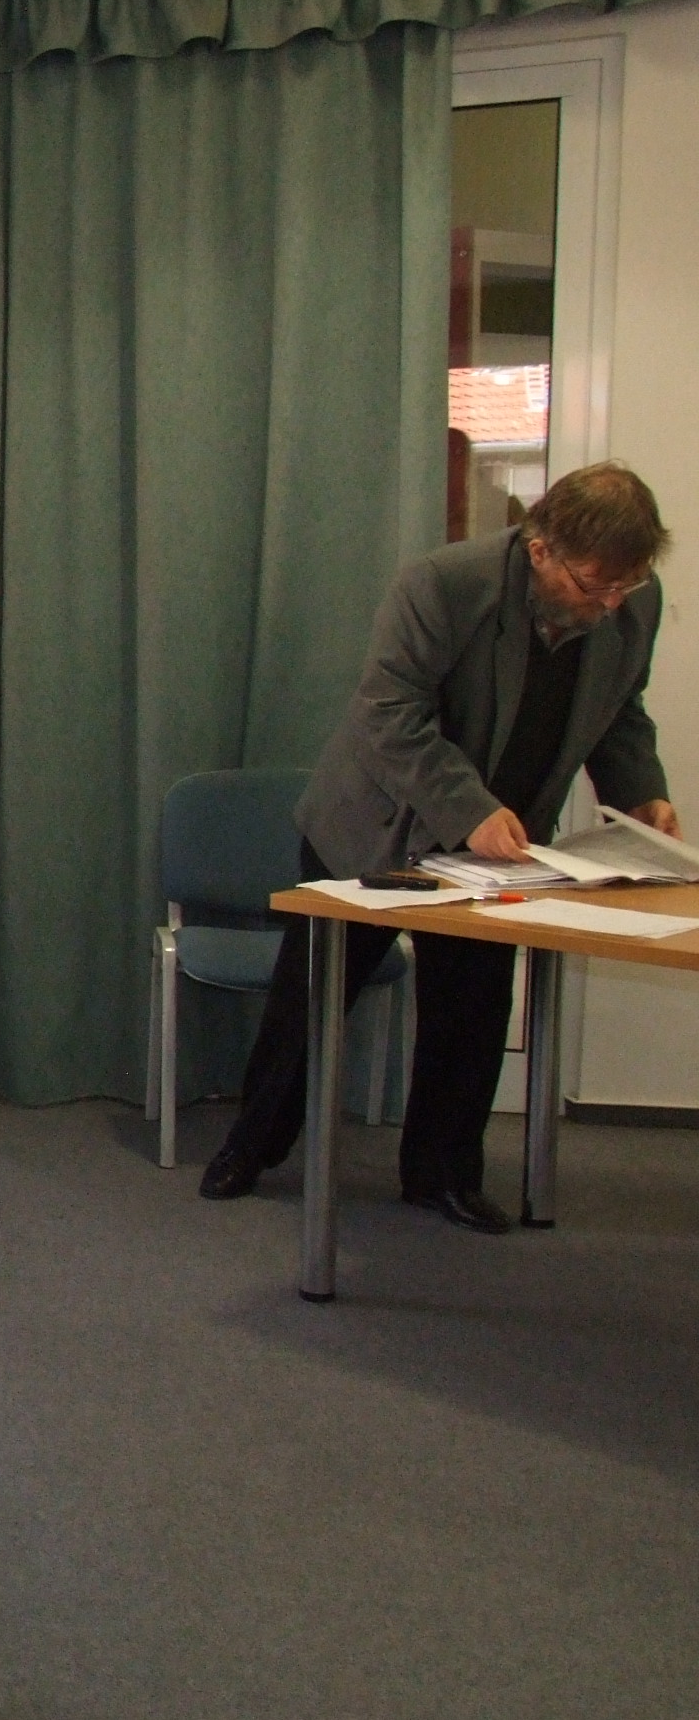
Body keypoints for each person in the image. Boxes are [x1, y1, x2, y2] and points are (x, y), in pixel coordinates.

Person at [201, 463, 677, 1227]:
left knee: (472, 1010)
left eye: (627, 585)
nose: (612, 603)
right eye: (596, 585)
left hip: (502, 850)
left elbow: (620, 713)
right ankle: (252, 1146)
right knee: (312, 1001)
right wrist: (469, 809)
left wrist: (642, 793)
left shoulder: (631, 604)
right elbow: (389, 712)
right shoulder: (444, 584)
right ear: (541, 549)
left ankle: (441, 1173)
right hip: (376, 827)